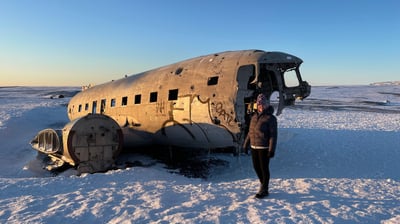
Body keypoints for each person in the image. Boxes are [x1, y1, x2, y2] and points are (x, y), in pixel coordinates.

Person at [243, 93, 277, 198]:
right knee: (256, 167)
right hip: (254, 146)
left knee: (264, 168)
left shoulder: (270, 118)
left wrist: (271, 150)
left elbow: (273, 135)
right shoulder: (254, 117)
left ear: (266, 105)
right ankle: (263, 184)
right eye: (259, 104)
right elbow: (250, 132)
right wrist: (245, 144)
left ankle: (264, 189)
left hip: (264, 147)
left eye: (262, 104)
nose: (260, 106)